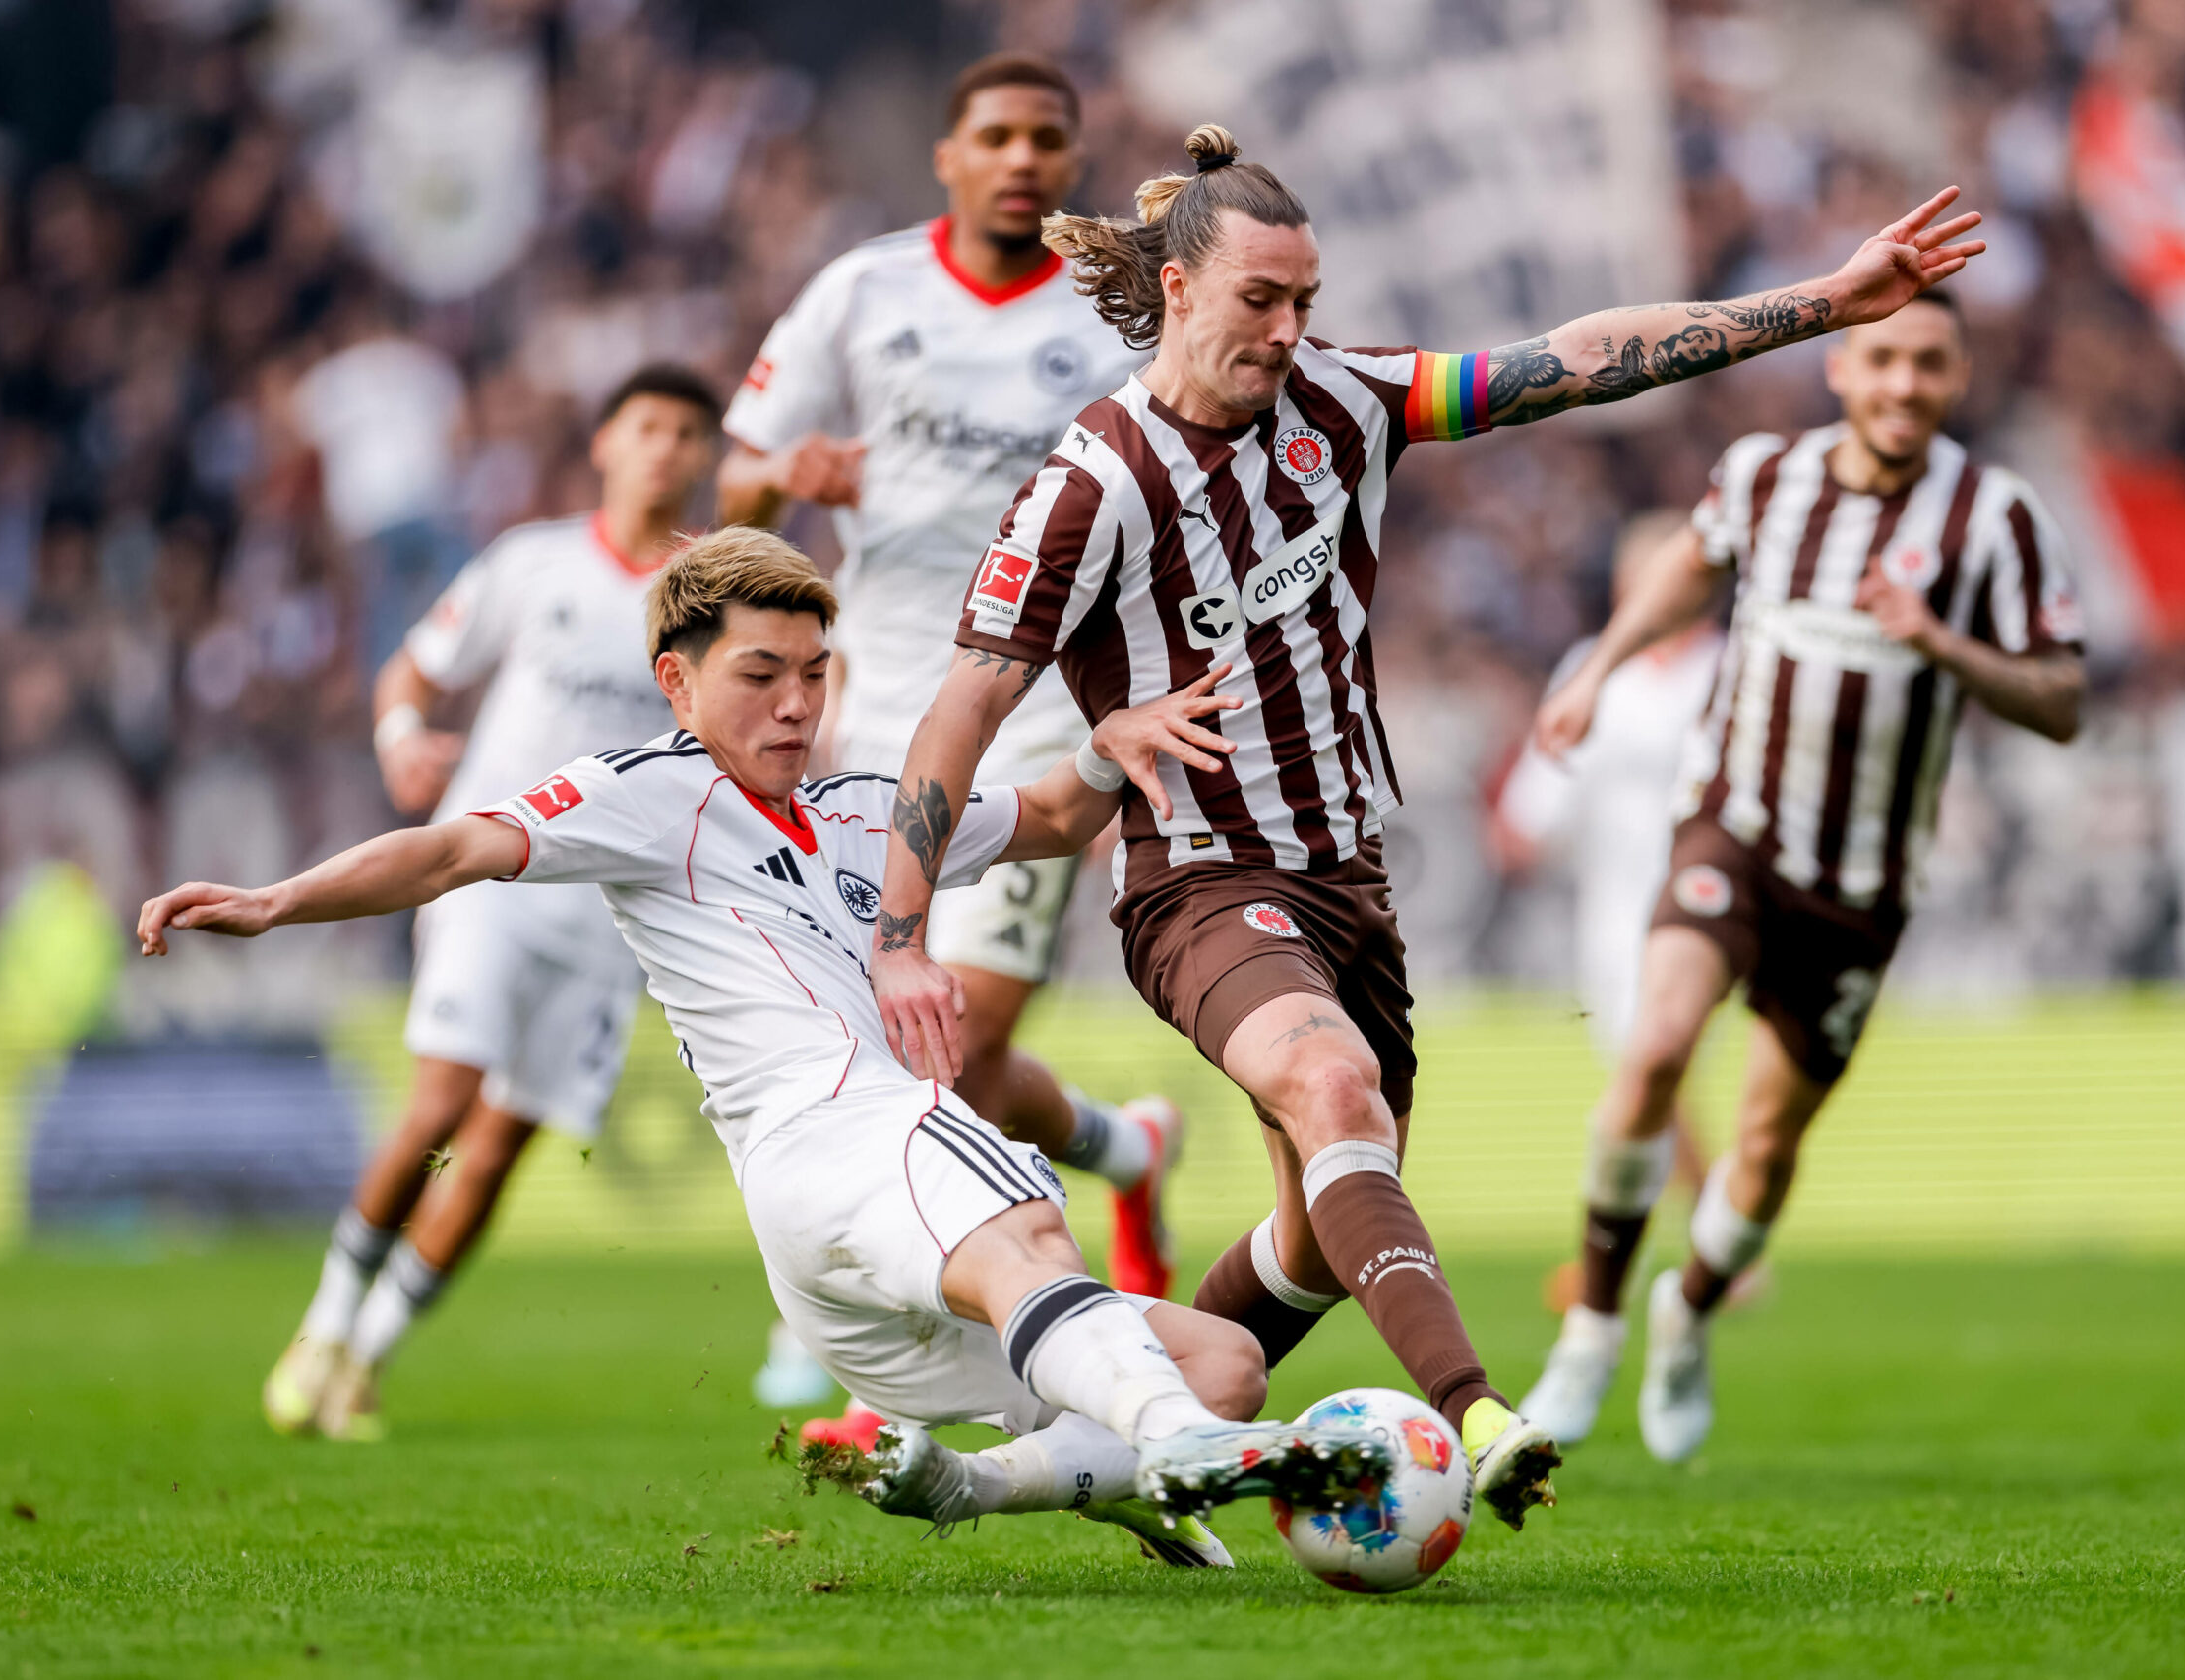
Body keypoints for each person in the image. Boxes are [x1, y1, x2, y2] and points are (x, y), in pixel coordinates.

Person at [865, 121, 1987, 1529]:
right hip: (1198, 879)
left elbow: (1575, 359)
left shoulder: (1347, 403)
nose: (1288, 331)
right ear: (1178, 288)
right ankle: (1479, 1413)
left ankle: (1081, 1442)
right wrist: (900, 938)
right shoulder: (1090, 483)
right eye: (1260, 300)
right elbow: (959, 712)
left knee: (1313, 1245)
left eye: (1304, 300)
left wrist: (1826, 301)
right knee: (1334, 1091)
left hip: (1350, 883)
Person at [144, 530, 1388, 1566]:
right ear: (676, 683)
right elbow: (452, 849)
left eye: (813, 672)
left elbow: (1057, 817)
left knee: (1227, 1361)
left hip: (849, 1257)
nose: (796, 702)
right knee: (1025, 1219)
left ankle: (978, 1482)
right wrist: (276, 899)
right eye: (758, 673)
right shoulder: (648, 794)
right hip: (839, 1141)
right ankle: (1179, 1443)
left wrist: (1107, 741)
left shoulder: (865, 814)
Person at [1522, 289, 2085, 1462]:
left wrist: (1938, 641)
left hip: (1860, 883)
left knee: (1767, 1149)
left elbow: (2061, 699)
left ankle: (1687, 1309)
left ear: (1956, 376)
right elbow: (1686, 569)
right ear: (1840, 369)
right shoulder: (1764, 476)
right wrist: (1600, 669)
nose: (1902, 384)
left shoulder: (1994, 517)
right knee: (1654, 1050)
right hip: (1732, 828)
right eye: (1882, 360)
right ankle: (1590, 1330)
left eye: (1927, 364)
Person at [718, 52, 1174, 1432]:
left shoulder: (1117, 316)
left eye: (1047, 138)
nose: (1023, 158)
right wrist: (785, 477)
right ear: (950, 155)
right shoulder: (861, 292)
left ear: (1073, 159)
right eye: (997, 135)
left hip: (1043, 714)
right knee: (903, 1042)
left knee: (948, 1038)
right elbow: (735, 486)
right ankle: (1119, 1146)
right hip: (874, 716)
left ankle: (896, 1376)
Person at [259, 363, 722, 1442]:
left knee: (500, 1146)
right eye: (648, 426)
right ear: (605, 443)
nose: (665, 448)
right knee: (440, 1106)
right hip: (486, 875)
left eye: (687, 433)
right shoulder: (532, 562)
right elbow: (410, 672)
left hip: (607, 914)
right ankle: (322, 1328)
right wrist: (399, 737)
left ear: (706, 457)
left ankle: (366, 1357)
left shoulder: (713, 595)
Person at [1489, 511, 1728, 1317]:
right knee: (1649, 1076)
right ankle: (1715, 1243)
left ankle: (1655, 1257)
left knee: (1650, 1069)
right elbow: (1547, 786)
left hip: (1707, 905)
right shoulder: (1595, 669)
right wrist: (1523, 825)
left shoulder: (1731, 671)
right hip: (1613, 915)